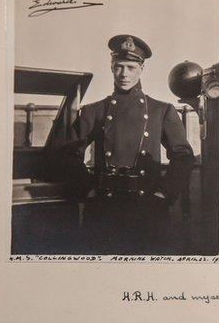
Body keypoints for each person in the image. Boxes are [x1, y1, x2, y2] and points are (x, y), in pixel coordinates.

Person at [59, 34, 195, 255]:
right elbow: (68, 154)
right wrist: (88, 189)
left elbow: (183, 156)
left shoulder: (161, 110)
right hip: (104, 210)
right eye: (118, 67)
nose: (124, 74)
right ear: (111, 68)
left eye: (131, 67)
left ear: (142, 69)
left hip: (148, 210)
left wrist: (164, 194)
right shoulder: (95, 111)